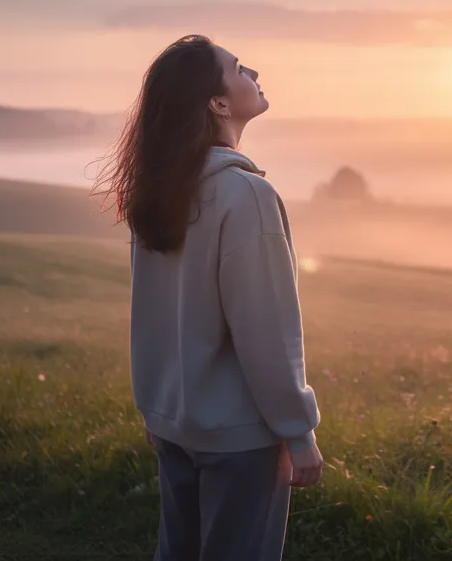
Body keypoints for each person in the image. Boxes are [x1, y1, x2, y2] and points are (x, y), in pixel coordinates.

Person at [97, 34, 322, 560]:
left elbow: (151, 315)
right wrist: (298, 430)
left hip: (174, 425)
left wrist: (156, 408)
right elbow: (266, 329)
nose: (255, 73)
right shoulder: (247, 195)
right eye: (240, 69)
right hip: (239, 437)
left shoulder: (160, 191)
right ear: (218, 104)